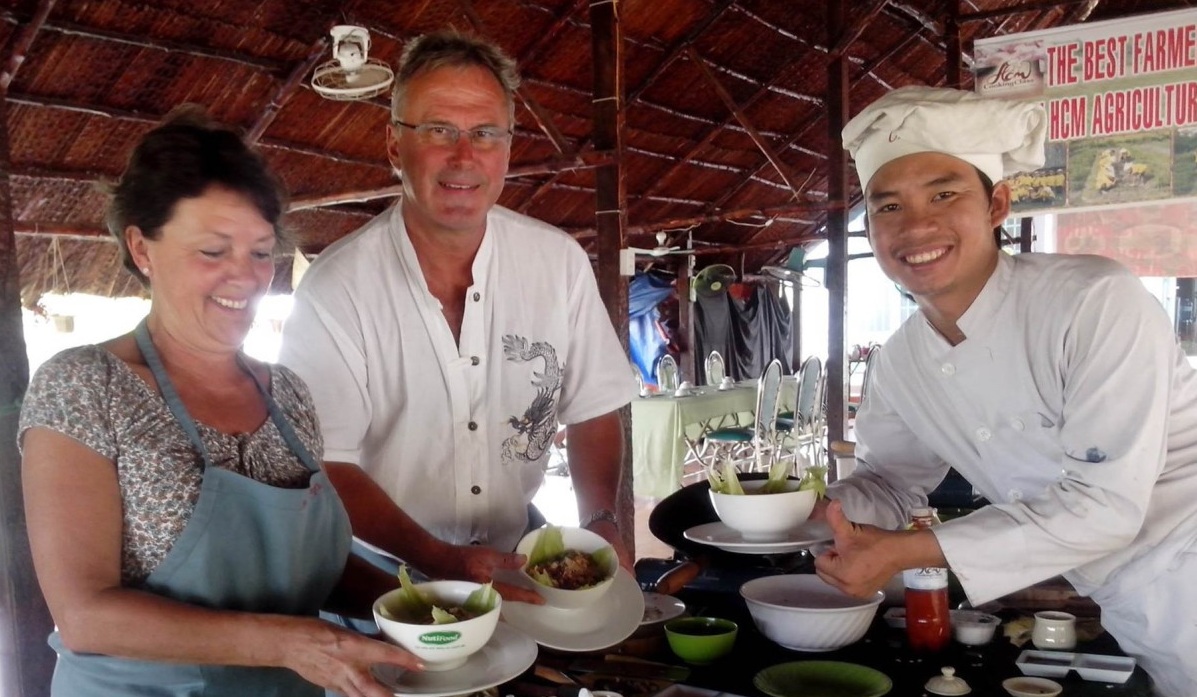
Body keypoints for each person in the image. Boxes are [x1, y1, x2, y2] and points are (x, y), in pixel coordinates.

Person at [19, 107, 420, 697]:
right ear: (142, 246)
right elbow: (85, 616)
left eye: (261, 252)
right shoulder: (85, 386)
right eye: (213, 251)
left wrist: (423, 606)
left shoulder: (286, 395)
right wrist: (291, 644)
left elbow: (313, 572)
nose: (247, 277)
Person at [813, 85, 1197, 696]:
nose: (917, 226)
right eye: (888, 208)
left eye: (944, 194)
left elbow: (1104, 507)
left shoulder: (1094, 301)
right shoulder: (899, 362)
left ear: (996, 205)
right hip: (1129, 603)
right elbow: (888, 482)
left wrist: (902, 552)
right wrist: (811, 515)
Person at [278, 30, 635, 602]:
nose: (464, 156)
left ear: (509, 147)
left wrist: (599, 519)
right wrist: (439, 560)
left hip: (519, 554)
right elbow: (328, 465)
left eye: (485, 133)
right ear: (395, 146)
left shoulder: (558, 263)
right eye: (439, 129)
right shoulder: (336, 289)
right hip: (382, 576)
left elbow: (593, 408)